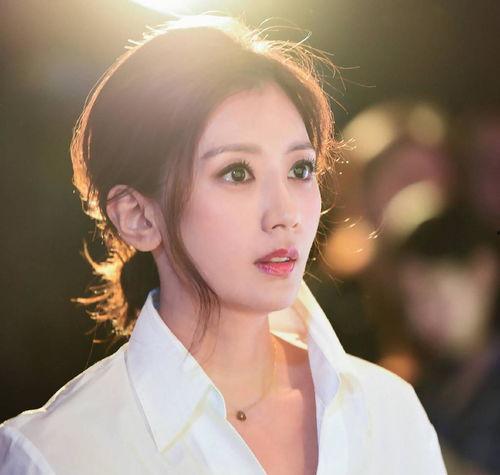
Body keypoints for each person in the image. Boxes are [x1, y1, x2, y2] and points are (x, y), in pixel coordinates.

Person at [0, 14, 446, 474]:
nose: (285, 214)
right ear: (137, 216)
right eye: (237, 173)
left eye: (300, 169)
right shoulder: (59, 454)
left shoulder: (388, 411)